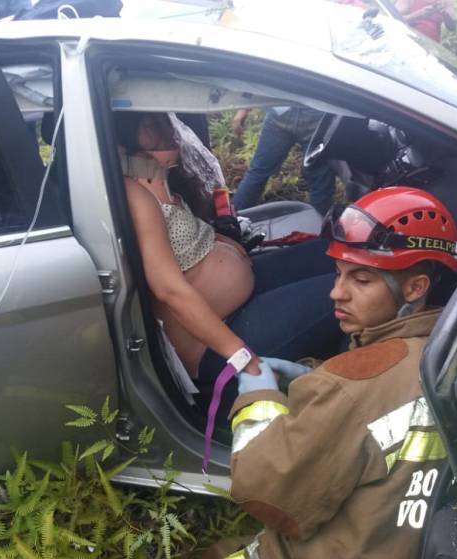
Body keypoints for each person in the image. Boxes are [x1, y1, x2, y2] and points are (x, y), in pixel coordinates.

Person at [197, 186, 457, 559]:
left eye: (362, 279)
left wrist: (260, 400)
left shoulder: (350, 387)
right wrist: (319, 374)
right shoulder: (453, 348)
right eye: (338, 273)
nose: (336, 292)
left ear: (415, 287)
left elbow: (267, 495)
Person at [116, 112, 343, 425]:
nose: (167, 128)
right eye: (149, 124)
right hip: (217, 340)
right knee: (350, 292)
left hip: (242, 295)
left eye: (162, 119)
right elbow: (170, 291)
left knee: (330, 253)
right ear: (122, 137)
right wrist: (241, 356)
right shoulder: (134, 196)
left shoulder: (157, 180)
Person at [231, 106, 336, 215]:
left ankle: (232, 223)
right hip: (317, 115)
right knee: (320, 182)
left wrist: (243, 109)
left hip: (281, 111)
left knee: (257, 173)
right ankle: (319, 228)